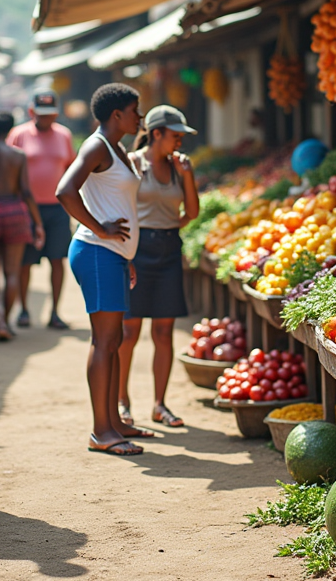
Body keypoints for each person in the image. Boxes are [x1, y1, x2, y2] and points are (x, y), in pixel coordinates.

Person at [57, 83, 156, 456]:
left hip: (111, 256)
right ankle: (101, 431)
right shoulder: (97, 145)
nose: (140, 117)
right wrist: (101, 230)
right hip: (97, 252)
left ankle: (113, 421)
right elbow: (65, 190)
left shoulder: (116, 148)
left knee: (113, 342)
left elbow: (115, 201)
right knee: (104, 341)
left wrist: (125, 253)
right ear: (116, 114)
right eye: (135, 110)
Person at [117, 105, 200, 429]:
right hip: (136, 251)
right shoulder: (133, 163)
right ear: (156, 134)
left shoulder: (180, 167)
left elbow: (191, 212)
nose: (179, 142)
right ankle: (123, 402)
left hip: (168, 250)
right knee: (129, 331)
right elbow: (120, 203)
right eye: (175, 136)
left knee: (164, 331)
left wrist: (189, 176)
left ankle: (159, 405)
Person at [7, 90, 77, 330]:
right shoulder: (19, 135)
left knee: (57, 260)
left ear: (56, 113)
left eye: (50, 115)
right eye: (41, 114)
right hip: (26, 208)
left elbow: (70, 167)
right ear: (31, 112)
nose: (46, 119)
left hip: (57, 209)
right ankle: (24, 310)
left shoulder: (64, 136)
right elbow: (9, 166)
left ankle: (55, 312)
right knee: (24, 261)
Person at [0, 113, 45, 342]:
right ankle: (6, 320)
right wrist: (38, 222)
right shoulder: (18, 155)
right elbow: (25, 190)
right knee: (12, 272)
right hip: (16, 213)